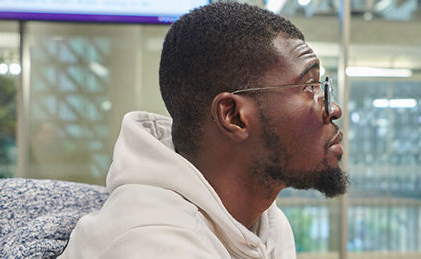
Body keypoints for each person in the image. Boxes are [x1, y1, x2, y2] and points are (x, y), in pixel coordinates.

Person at [59, 2, 347, 258]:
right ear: (234, 116)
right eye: (309, 87)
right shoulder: (151, 243)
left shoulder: (267, 223)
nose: (334, 109)